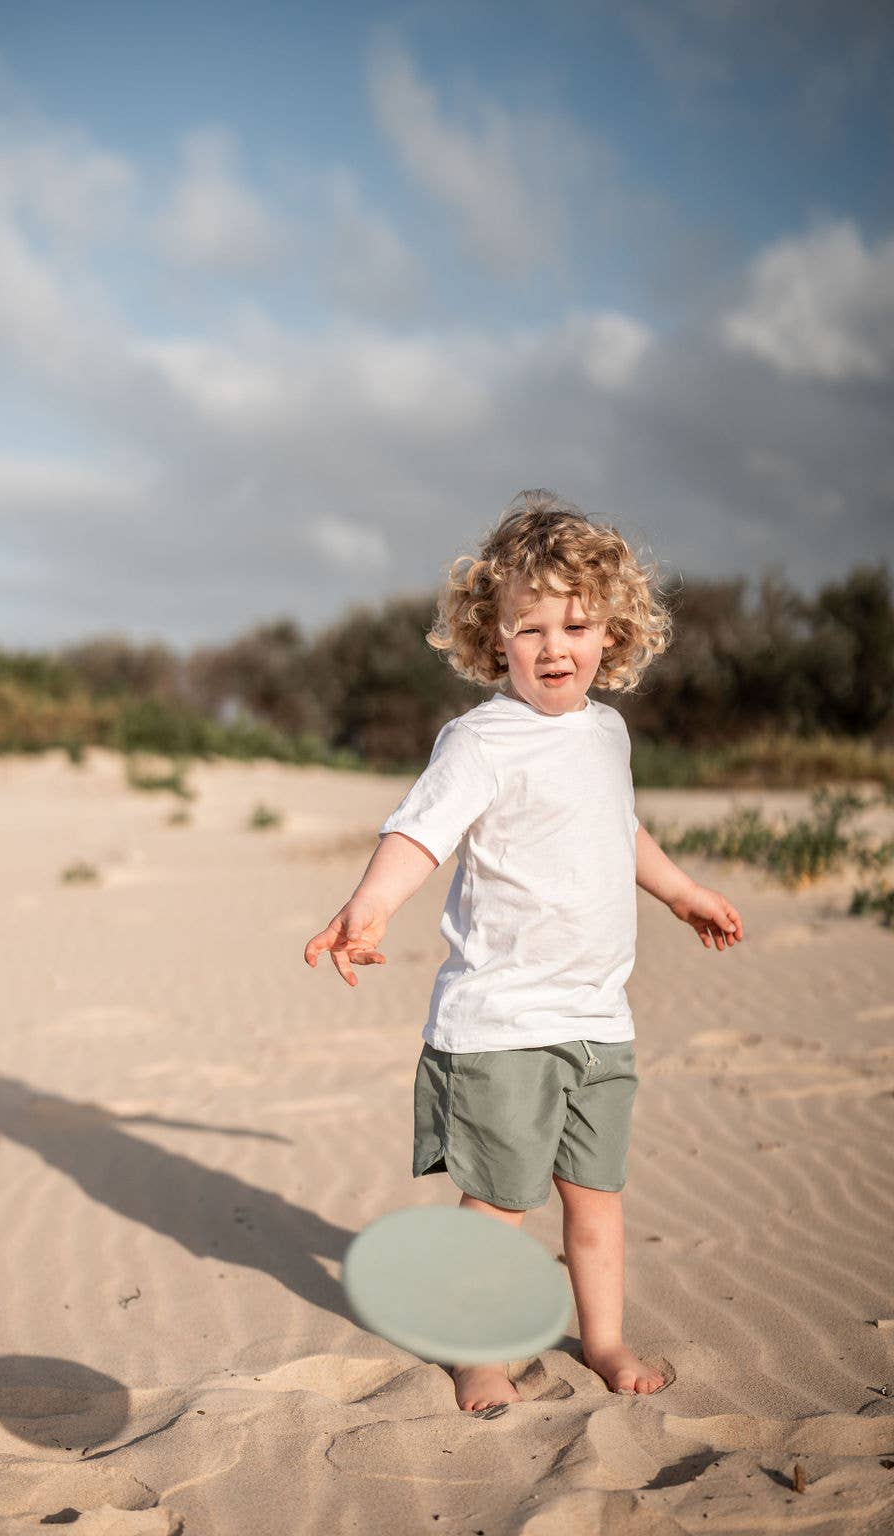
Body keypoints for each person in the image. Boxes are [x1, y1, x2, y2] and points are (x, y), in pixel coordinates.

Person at [303, 489, 744, 1413]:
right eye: (531, 626)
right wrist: (368, 908)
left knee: (595, 1201)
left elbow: (619, 831)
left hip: (598, 1019)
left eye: (577, 625)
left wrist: (682, 891)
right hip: (501, 1023)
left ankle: (607, 1339)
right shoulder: (480, 741)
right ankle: (479, 1349)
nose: (555, 646)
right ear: (491, 636)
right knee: (499, 1209)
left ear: (613, 634)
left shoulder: (606, 733)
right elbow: (419, 834)